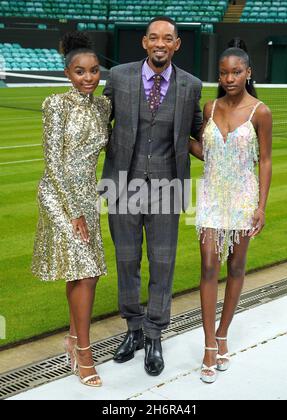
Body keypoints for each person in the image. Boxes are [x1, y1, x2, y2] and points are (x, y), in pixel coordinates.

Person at [99, 16, 202, 376]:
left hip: (168, 187)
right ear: (144, 42)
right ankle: (133, 330)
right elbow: (99, 125)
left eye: (168, 38)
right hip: (121, 185)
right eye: (154, 37)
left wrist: (231, 145)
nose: (160, 43)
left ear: (177, 44)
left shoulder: (191, 85)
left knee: (162, 263)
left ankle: (155, 334)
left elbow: (197, 135)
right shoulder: (120, 77)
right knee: (127, 261)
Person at [31, 32, 111, 387]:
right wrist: (74, 209)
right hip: (59, 196)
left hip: (88, 197)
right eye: (80, 72)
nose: (89, 77)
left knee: (79, 272)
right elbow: (53, 163)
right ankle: (84, 352)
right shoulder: (55, 104)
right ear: (68, 73)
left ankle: (72, 339)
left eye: (94, 71)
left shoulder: (104, 106)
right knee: (88, 271)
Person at [189, 42, 272, 383]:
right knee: (209, 265)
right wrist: (179, 137)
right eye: (223, 72)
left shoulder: (260, 112)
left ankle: (223, 332)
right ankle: (210, 345)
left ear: (248, 73)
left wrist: (261, 207)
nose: (229, 78)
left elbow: (265, 160)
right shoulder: (210, 108)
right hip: (210, 196)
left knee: (235, 266)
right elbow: (207, 153)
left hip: (242, 198)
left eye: (236, 72)